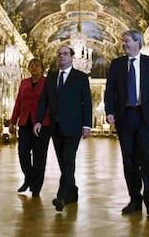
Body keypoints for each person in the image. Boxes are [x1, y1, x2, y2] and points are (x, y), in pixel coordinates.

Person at [104, 30, 149, 220]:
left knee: (146, 160)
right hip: (125, 117)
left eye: (127, 41)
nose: (124, 44)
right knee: (128, 161)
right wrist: (110, 111)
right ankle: (134, 200)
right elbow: (109, 91)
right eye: (123, 41)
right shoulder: (116, 65)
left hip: (145, 117)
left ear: (137, 42)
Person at [34, 44, 92, 212]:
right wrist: (38, 120)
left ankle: (61, 196)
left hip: (74, 125)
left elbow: (87, 102)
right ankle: (73, 191)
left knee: (67, 158)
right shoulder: (51, 77)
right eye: (59, 54)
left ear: (71, 57)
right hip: (55, 126)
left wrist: (87, 125)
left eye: (65, 54)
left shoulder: (80, 77)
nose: (61, 56)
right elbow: (43, 100)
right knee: (63, 161)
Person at [10, 58, 50, 197]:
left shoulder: (47, 82)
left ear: (42, 68)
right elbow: (18, 102)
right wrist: (12, 121)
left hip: (42, 124)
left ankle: (36, 187)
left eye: (36, 65)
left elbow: (50, 103)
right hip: (25, 122)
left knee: (39, 157)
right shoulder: (24, 83)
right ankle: (29, 178)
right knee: (23, 153)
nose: (33, 67)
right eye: (31, 65)